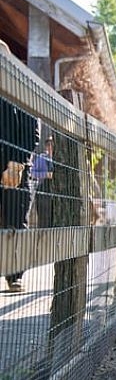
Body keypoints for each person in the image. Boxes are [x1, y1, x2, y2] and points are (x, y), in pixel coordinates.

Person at [1, 98, 40, 291]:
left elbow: (31, 131)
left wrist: (17, 163)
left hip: (15, 166)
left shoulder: (21, 91)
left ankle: (14, 275)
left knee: (16, 221)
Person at [31, 136, 54, 228]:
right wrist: (45, 175)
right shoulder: (41, 158)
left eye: (52, 144)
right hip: (43, 193)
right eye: (48, 144)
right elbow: (32, 173)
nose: (50, 147)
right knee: (44, 222)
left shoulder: (61, 158)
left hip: (56, 194)